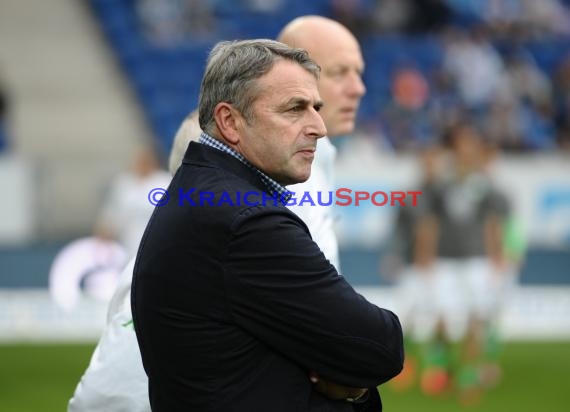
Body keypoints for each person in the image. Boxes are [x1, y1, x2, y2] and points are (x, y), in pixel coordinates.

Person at [69, 17, 373, 412]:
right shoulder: (270, 179)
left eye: (359, 72)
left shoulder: (299, 165)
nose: (357, 87)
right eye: (339, 72)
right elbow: (339, 334)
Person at [132, 39, 402, 411]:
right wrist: (353, 385)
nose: (319, 127)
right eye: (295, 109)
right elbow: (380, 347)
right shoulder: (246, 223)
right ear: (230, 121)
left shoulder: (206, 194)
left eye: (317, 108)